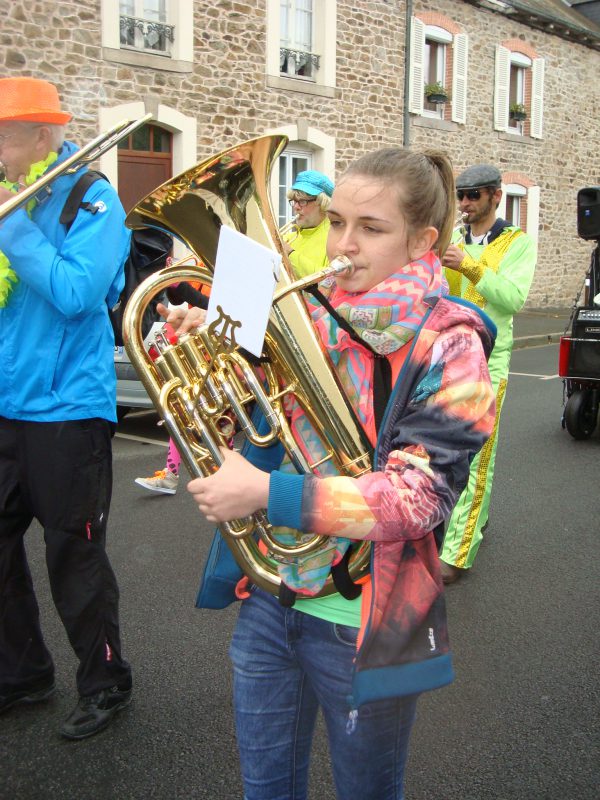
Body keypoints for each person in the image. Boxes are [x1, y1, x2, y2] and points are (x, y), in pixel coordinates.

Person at [164, 147, 497, 799]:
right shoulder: (304, 309)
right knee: (265, 789)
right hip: (272, 594)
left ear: (421, 241)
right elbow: (246, 426)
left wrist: (266, 492)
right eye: (338, 221)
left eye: (371, 228)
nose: (344, 244)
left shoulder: (452, 345)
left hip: (364, 616)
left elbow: (419, 499)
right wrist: (206, 349)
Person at [0, 77, 132, 739]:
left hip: (67, 411)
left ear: (40, 136)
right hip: (6, 404)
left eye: (1, 136)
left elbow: (77, 293)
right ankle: (23, 674)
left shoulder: (92, 198)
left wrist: (11, 226)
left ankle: (106, 683)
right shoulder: (12, 195)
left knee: (73, 555)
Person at [439, 164, 536, 584]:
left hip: (489, 361)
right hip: (449, 356)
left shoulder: (518, 242)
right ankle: (469, 519)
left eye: (473, 195)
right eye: (460, 195)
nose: (464, 203)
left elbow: (513, 298)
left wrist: (470, 266)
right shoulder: (456, 240)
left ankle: (457, 553)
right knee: (443, 451)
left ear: (496, 196)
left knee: (478, 459)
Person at [283, 169, 334, 278]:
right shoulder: (287, 238)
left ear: (322, 203)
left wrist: (290, 254)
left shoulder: (334, 240)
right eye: (294, 201)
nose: (296, 207)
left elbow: (327, 280)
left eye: (302, 201)